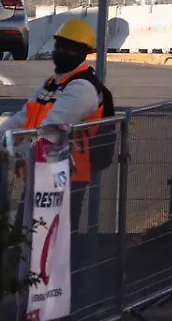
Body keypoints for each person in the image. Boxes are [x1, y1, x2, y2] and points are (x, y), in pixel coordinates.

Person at [0, 19, 111, 229]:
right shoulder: (52, 83)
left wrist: (17, 153)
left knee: (54, 242)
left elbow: (51, 129)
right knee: (26, 238)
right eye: (59, 45)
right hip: (39, 169)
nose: (61, 51)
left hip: (64, 176)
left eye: (70, 48)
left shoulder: (83, 88)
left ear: (83, 53)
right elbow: (23, 116)